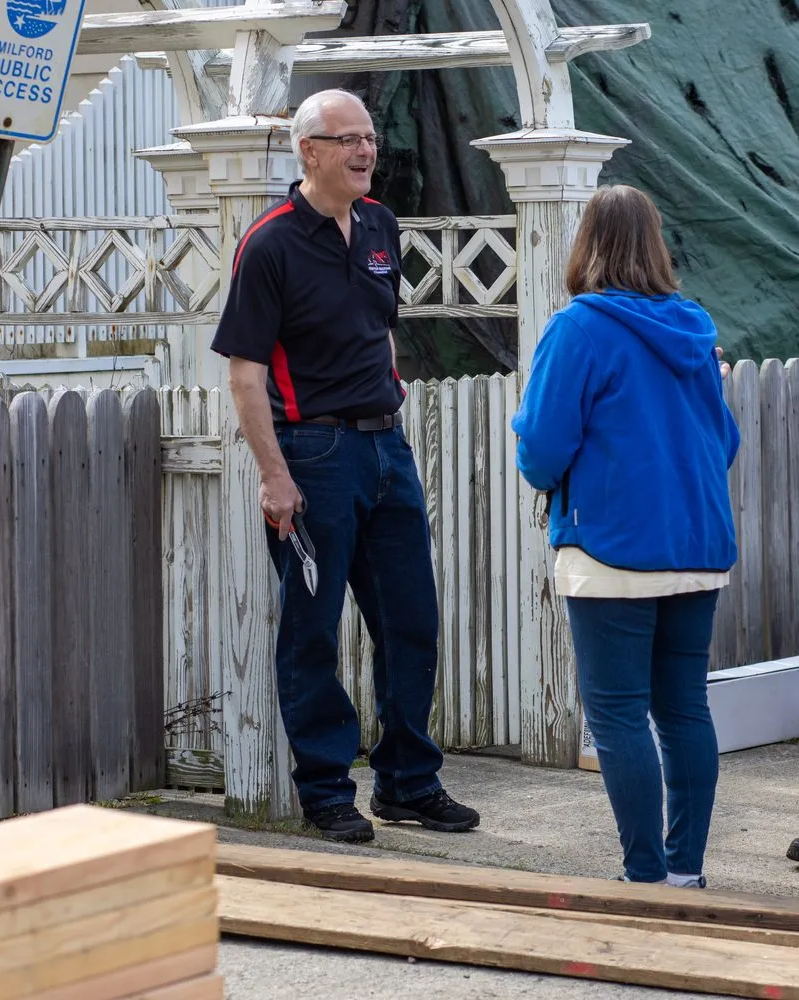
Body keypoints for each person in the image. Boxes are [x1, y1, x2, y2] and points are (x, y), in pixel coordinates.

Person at [210, 89, 479, 843]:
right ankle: (326, 792)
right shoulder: (270, 243)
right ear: (310, 151)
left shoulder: (381, 226)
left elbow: (381, 327)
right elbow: (244, 373)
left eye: (370, 138)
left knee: (411, 622)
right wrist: (274, 474)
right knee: (314, 631)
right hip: (313, 454)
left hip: (386, 447)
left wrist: (388, 397)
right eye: (349, 140)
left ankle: (408, 783)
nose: (366, 151)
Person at [511, 185, 739, 887]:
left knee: (617, 717)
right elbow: (724, 444)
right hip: (696, 545)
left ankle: (645, 875)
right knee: (684, 709)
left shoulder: (578, 329)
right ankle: (685, 871)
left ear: (585, 243)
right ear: (656, 243)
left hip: (609, 550)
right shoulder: (695, 329)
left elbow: (541, 450)